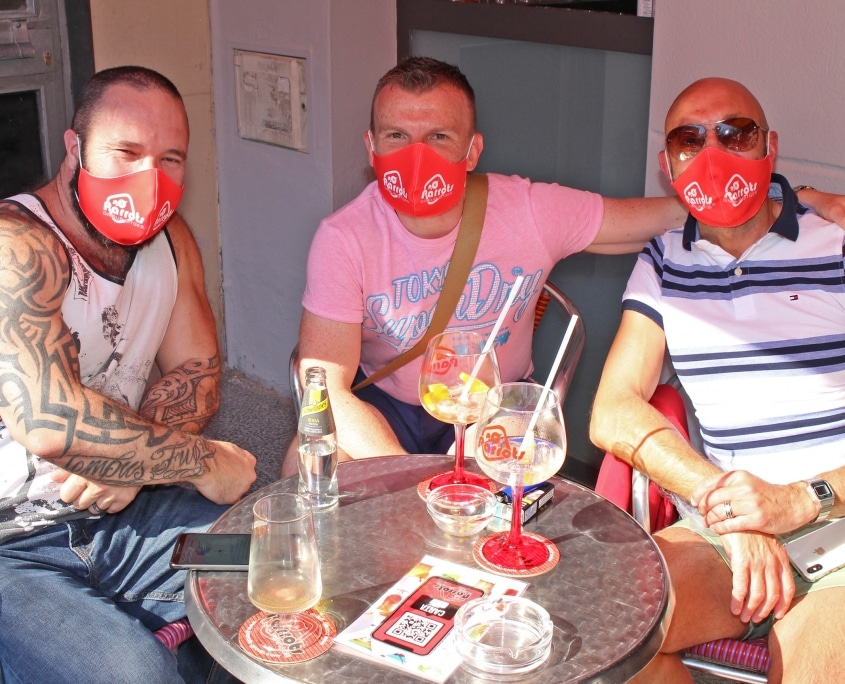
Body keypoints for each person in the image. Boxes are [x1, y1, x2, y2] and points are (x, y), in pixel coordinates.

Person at [282, 56, 842, 474]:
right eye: (397, 136)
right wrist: (406, 479)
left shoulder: (526, 210)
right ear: (371, 145)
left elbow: (680, 208)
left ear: (472, 150)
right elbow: (324, 388)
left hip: (496, 404)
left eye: (438, 137)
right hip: (391, 403)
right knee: (304, 469)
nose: (416, 154)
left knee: (489, 522)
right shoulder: (344, 238)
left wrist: (790, 198)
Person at [0, 66, 256, 683]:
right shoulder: (15, 243)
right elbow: (48, 419)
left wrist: (132, 468)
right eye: (127, 152)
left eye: (170, 159)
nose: (150, 177)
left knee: (270, 565)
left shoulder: (173, 241)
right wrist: (201, 461)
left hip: (124, 516)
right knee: (134, 672)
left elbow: (197, 373)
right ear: (75, 148)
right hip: (11, 548)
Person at [590, 77, 845, 681]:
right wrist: (729, 506)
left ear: (769, 147)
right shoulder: (664, 259)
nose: (713, 152)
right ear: (667, 164)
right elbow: (613, 410)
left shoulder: (834, 242)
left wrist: (798, 500)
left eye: (736, 133)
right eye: (690, 139)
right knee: (599, 635)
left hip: (835, 514)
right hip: (730, 525)